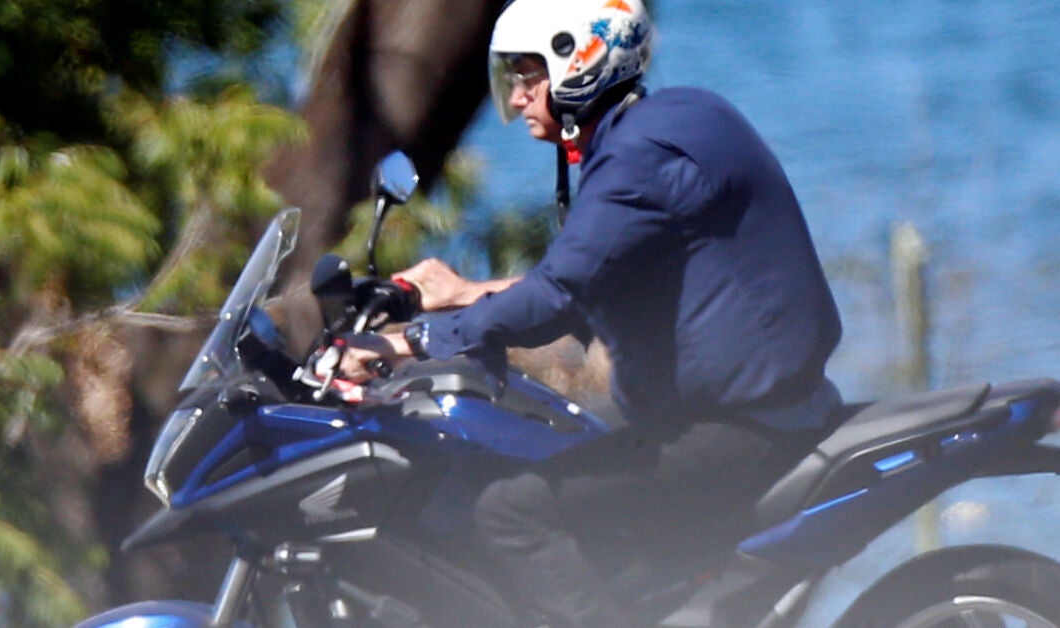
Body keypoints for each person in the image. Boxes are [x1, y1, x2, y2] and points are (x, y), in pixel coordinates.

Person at [340, 0, 843, 625]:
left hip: (738, 425)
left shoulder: (637, 158)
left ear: (578, 66)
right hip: (760, 404)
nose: (517, 97)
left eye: (529, 76)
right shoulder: (672, 118)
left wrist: (408, 342)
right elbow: (594, 279)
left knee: (510, 510)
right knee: (539, 444)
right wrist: (463, 293)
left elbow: (557, 297)